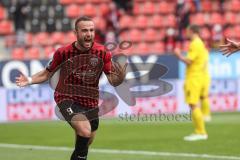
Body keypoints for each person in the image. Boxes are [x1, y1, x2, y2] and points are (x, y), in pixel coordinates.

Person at [15, 16, 127, 160]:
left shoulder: (102, 52)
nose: (89, 34)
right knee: (85, 132)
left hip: (90, 102)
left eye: (92, 30)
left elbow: (113, 80)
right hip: (66, 97)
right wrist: (29, 80)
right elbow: (46, 74)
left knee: (86, 142)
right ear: (76, 32)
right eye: (85, 30)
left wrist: (120, 78)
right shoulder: (63, 52)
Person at [173, 25, 210, 141]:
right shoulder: (200, 44)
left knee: (193, 104)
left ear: (193, 32)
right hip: (197, 76)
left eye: (187, 31)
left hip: (194, 77)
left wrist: (178, 55)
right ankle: (199, 131)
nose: (186, 33)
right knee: (193, 104)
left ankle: (201, 132)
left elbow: (189, 61)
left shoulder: (195, 43)